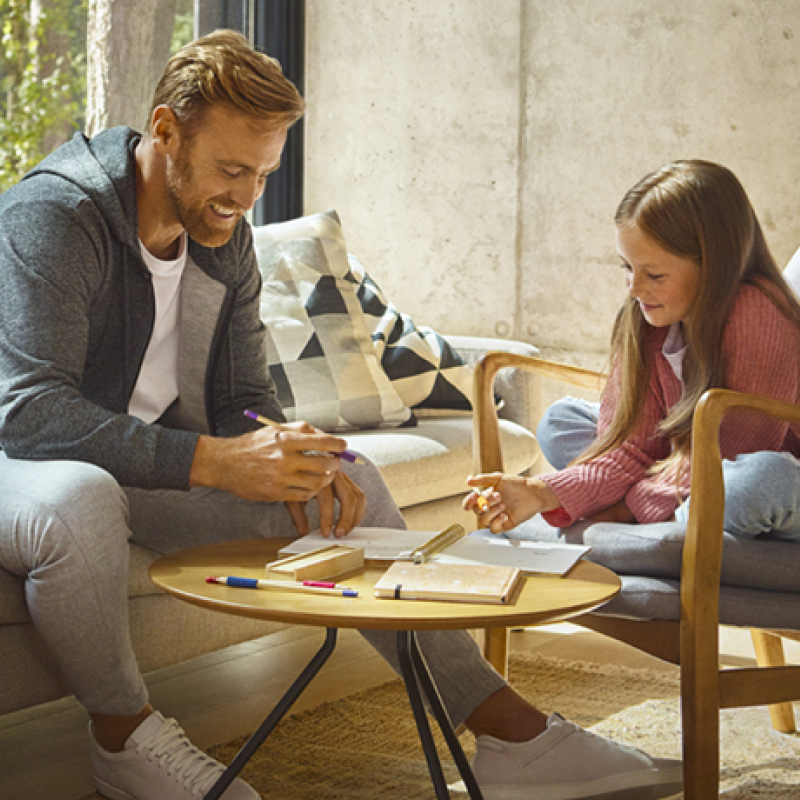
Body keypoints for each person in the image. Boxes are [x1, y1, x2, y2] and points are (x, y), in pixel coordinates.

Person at [0, 30, 682, 800]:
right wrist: (216, 462)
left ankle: (508, 733)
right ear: (163, 132)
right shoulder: (58, 217)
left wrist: (275, 440)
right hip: (25, 469)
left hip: (142, 464)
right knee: (80, 496)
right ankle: (124, 741)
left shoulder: (221, 233)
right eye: (231, 169)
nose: (247, 196)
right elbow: (30, 412)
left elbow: (240, 399)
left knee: (340, 472)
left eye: (263, 174)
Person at [466, 159, 800, 544]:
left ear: (714, 265)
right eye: (627, 267)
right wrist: (541, 491)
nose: (634, 288)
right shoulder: (648, 318)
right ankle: (672, 509)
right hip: (684, 463)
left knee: (755, 483)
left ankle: (664, 506)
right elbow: (631, 446)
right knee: (561, 422)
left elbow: (727, 456)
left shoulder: (758, 310)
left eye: (654, 275)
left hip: (763, 469)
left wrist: (627, 506)